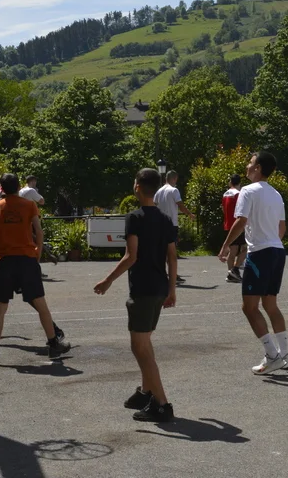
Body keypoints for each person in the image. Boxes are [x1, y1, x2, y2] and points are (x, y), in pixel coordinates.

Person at [95, 168, 177, 422]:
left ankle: (162, 404)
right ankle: (145, 392)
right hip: (159, 287)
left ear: (138, 187)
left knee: (139, 347)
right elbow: (172, 257)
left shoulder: (135, 217)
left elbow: (131, 256)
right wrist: (172, 289)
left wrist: (108, 280)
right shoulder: (165, 219)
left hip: (143, 289)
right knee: (145, 342)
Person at [0, 173, 71, 365]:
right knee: (41, 306)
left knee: (0, 308)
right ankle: (53, 343)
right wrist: (37, 256)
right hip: (27, 260)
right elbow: (39, 232)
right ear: (18, 187)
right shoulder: (29, 205)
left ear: (2, 188)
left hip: (6, 260)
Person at [219, 151, 288, 375]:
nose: (247, 166)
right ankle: (284, 354)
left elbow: (241, 221)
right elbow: (281, 228)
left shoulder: (248, 191)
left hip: (260, 253)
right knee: (270, 305)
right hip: (277, 251)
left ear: (258, 168)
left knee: (249, 307)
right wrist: (271, 241)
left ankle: (272, 355)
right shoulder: (276, 194)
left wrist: (226, 245)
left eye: (250, 163)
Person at [154, 171, 194, 285]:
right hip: (171, 224)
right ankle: (173, 275)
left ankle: (163, 274)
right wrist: (189, 214)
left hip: (160, 224)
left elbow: (154, 206)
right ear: (174, 178)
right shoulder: (174, 190)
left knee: (162, 251)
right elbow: (180, 205)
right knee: (171, 252)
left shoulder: (159, 191)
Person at [19, 175, 58, 271]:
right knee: (36, 242)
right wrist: (37, 192)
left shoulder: (20, 191)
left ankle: (25, 267)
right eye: (35, 181)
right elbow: (42, 201)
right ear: (33, 181)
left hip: (21, 220)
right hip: (31, 219)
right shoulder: (31, 190)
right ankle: (35, 267)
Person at [222, 175, 244, 283]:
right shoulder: (238, 194)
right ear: (239, 183)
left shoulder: (225, 194)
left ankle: (231, 273)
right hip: (237, 224)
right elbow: (241, 210)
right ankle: (235, 269)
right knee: (246, 248)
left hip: (228, 224)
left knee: (232, 250)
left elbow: (223, 209)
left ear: (230, 182)